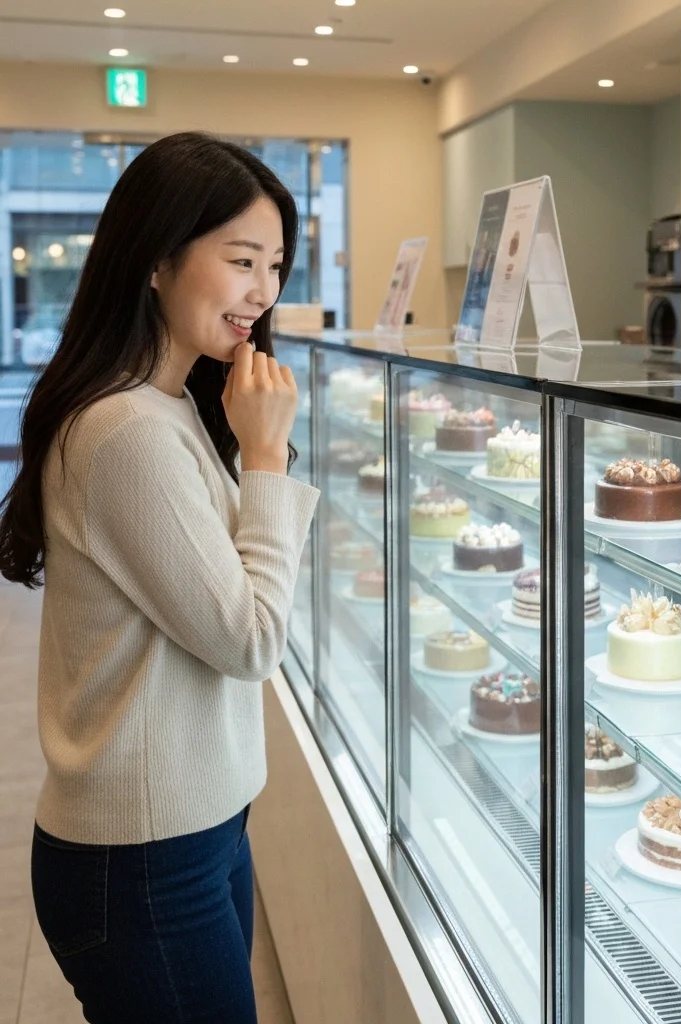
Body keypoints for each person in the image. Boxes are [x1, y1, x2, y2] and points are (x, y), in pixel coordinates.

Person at [0, 132, 320, 1022]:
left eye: (277, 265)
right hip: (144, 858)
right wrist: (265, 457)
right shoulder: (128, 431)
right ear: (155, 259)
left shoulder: (171, 405)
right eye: (242, 260)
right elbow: (250, 640)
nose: (264, 292)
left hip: (194, 831)